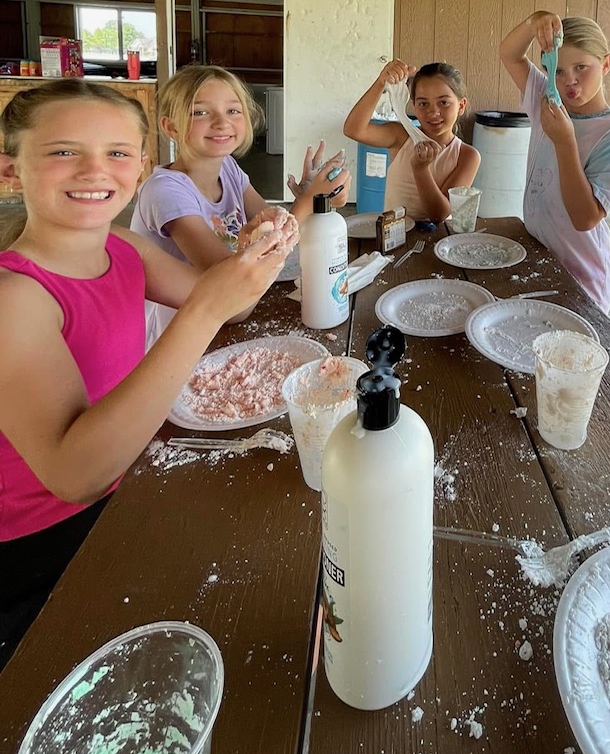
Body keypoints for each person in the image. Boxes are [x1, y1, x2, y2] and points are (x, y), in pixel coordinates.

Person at [0, 80, 297, 668]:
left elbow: (228, 301)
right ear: (11, 171)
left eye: (115, 153)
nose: (93, 170)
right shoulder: (16, 297)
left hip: (133, 473)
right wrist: (212, 305)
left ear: (139, 169)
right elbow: (74, 475)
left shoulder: (122, 247)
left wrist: (259, 255)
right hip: (46, 551)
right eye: (63, 151)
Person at [131, 66, 349, 343]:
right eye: (200, 112)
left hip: (222, 325)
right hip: (177, 339)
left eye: (233, 110)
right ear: (170, 127)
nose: (222, 122)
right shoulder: (165, 191)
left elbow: (271, 226)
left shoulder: (228, 169)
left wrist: (315, 199)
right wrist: (306, 202)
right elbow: (232, 288)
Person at [499, 11, 610, 312]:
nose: (569, 80)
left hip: (582, 279)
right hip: (539, 258)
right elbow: (510, 54)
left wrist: (565, 141)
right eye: (557, 70)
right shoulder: (545, 101)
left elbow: (585, 218)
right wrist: (532, 23)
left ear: (607, 64)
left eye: (581, 67)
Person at [343, 61, 480, 223]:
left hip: (437, 240)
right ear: (414, 106)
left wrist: (420, 169)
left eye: (443, 102)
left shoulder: (467, 156)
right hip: (394, 237)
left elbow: (439, 215)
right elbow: (353, 129)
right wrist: (381, 83)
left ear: (461, 105)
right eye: (423, 104)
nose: (433, 112)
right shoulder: (401, 137)